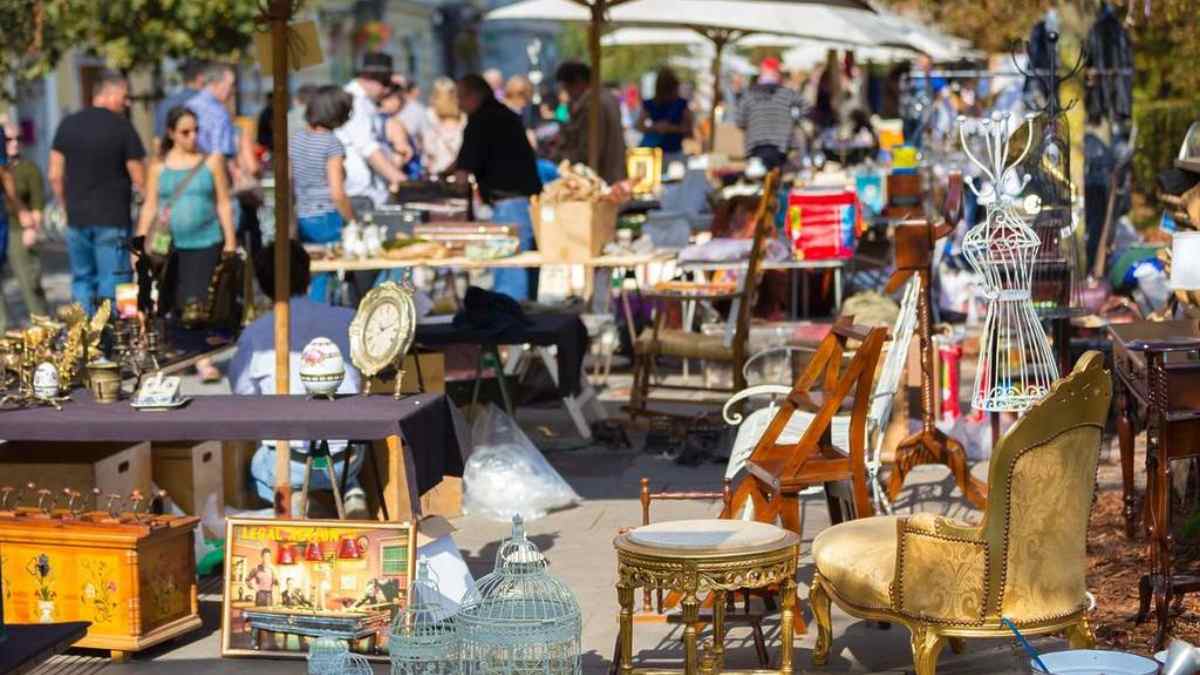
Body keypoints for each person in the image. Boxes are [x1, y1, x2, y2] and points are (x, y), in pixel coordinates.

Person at [229, 240, 366, 516]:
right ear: (307, 274)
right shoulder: (349, 319)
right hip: (347, 458)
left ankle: (296, 500)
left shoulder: (255, 334)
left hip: (290, 462)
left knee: (255, 467)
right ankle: (350, 490)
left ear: (263, 284)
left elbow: (242, 394)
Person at [135, 106, 237, 381]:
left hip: (207, 240)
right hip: (170, 245)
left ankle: (203, 358)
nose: (192, 136)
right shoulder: (159, 167)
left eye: (196, 130)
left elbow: (223, 202)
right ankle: (186, 353)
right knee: (176, 300)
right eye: (185, 132)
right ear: (171, 133)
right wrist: (139, 244)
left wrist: (230, 240)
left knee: (201, 300)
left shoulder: (212, 161)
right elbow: (150, 206)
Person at [49, 71, 146, 314]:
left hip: (77, 218)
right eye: (124, 96)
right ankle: (114, 332)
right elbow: (139, 176)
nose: (127, 102)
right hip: (113, 217)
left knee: (82, 279)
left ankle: (84, 332)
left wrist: (64, 204)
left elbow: (54, 174)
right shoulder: (123, 127)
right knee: (116, 280)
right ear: (108, 93)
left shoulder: (67, 124)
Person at [451, 74, 542, 301]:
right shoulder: (504, 115)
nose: (458, 104)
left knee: (510, 273)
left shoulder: (481, 120)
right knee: (524, 267)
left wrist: (447, 184)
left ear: (474, 96)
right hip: (525, 201)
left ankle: (512, 317)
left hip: (509, 204)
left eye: (461, 97)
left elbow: (463, 169)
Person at [289, 85, 356, 301]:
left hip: (303, 216)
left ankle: (307, 312)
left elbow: (289, 183)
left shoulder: (296, 140)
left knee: (310, 272)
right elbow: (337, 193)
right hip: (327, 217)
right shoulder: (332, 143)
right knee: (328, 274)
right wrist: (352, 221)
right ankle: (324, 314)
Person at [336, 52, 406, 211]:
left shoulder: (366, 102)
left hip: (369, 191)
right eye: (385, 83)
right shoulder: (354, 101)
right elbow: (368, 148)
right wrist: (400, 180)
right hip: (360, 193)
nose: (387, 90)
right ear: (367, 78)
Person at [0, 123, 47, 330]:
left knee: (30, 283)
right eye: (8, 139)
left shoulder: (28, 169)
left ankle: (43, 328)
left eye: (18, 138)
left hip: (18, 230)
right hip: (2, 227)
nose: (14, 143)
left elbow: (37, 204)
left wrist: (32, 229)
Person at [555, 61, 627, 184]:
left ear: (579, 82)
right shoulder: (607, 98)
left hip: (600, 181)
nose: (568, 94)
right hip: (614, 177)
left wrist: (561, 157)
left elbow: (588, 151)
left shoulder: (591, 105)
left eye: (567, 88)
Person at [736, 56, 806, 170]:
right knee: (778, 175)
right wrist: (794, 121)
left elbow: (739, 121)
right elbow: (805, 107)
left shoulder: (749, 95)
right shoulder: (787, 94)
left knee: (759, 176)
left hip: (755, 146)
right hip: (781, 146)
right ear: (777, 74)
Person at [636, 67, 693, 165]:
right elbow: (640, 125)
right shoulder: (651, 104)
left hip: (673, 151)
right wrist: (657, 127)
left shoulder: (680, 104)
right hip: (656, 152)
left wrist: (669, 128)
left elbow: (688, 129)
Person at [154, 60, 207, 148]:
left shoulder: (166, 103)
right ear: (200, 77)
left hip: (171, 154)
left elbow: (158, 141)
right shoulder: (206, 103)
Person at [421, 77, 466, 177]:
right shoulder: (464, 118)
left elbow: (428, 152)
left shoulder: (429, 117)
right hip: (459, 176)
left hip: (438, 175)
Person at [377, 83, 415, 171]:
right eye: (401, 99)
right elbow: (399, 155)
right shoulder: (394, 123)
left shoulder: (372, 118)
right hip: (399, 173)